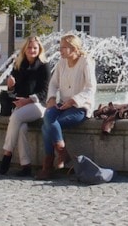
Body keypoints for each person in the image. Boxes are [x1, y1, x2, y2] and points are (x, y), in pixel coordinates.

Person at [37, 34, 96, 180]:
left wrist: (73, 101)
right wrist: (51, 98)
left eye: (63, 47)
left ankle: (48, 165)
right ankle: (62, 152)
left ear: (74, 48)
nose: (60, 50)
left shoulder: (85, 62)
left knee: (47, 126)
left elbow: (91, 88)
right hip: (63, 105)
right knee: (48, 115)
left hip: (80, 107)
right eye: (60, 47)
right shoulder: (61, 62)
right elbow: (53, 83)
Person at [0, 36, 50, 177]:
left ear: (39, 49)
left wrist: (27, 101)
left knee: (15, 116)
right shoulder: (18, 64)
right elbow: (12, 93)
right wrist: (10, 86)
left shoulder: (44, 66)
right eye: (29, 47)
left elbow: (44, 93)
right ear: (24, 49)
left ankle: (7, 153)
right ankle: (26, 166)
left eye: (35, 48)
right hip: (21, 106)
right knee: (21, 128)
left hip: (38, 106)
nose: (32, 50)